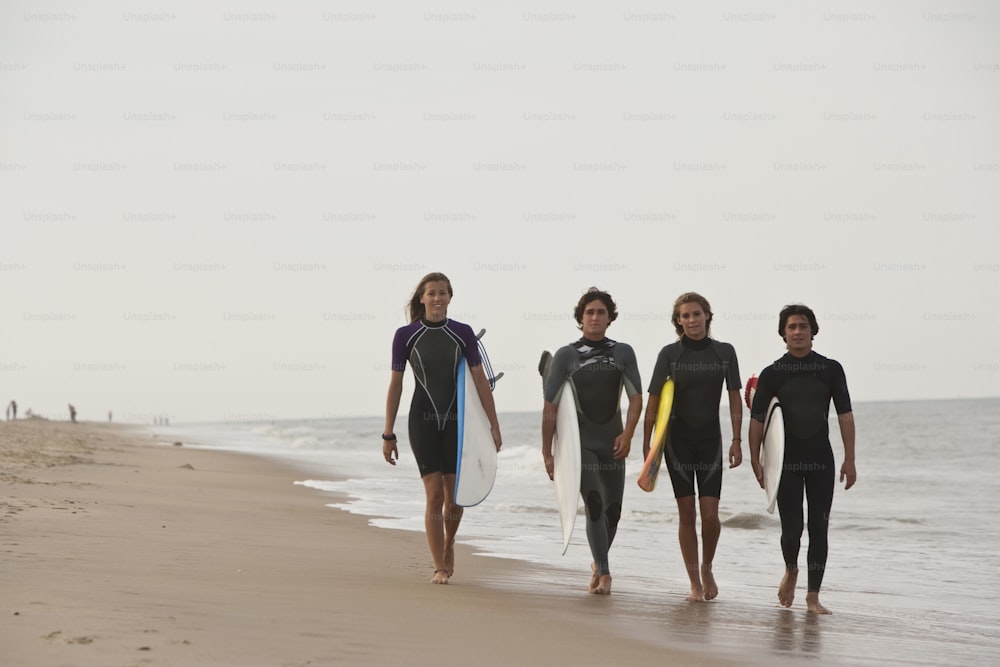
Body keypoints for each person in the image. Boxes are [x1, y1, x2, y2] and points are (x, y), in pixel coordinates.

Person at [382, 272, 502, 585]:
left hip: (456, 424)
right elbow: (396, 384)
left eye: (442, 293)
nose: (437, 298)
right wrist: (388, 433)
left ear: (450, 297)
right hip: (421, 420)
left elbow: (478, 379)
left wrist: (493, 425)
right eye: (431, 293)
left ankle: (449, 544)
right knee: (434, 496)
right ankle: (439, 566)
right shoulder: (405, 336)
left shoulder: (463, 333)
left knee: (456, 499)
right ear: (421, 299)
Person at [748, 304, 856, 614]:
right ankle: (791, 569)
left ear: (813, 331)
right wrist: (757, 459)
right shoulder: (772, 373)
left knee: (819, 527)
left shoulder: (830, 369)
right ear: (783, 332)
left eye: (803, 326)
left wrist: (850, 458)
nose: (797, 332)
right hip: (786, 463)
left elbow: (845, 414)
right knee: (791, 527)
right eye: (792, 326)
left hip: (821, 458)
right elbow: (758, 419)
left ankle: (813, 596)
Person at [642, 292, 743, 602]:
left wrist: (737, 439)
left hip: (710, 439)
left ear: (707, 316)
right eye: (685, 316)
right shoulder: (669, 355)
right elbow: (655, 402)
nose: (691, 320)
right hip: (677, 443)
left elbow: (735, 397)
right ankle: (694, 583)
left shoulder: (724, 353)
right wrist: (648, 445)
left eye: (696, 314)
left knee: (710, 516)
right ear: (678, 321)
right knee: (687, 513)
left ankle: (708, 566)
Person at [542, 287, 642, 595]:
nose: (595, 317)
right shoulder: (566, 356)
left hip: (613, 442)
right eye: (589, 312)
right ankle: (606, 573)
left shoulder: (622, 352)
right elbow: (551, 407)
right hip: (580, 444)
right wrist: (547, 452)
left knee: (614, 511)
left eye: (600, 312)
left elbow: (637, 398)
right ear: (580, 318)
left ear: (609, 318)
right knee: (595, 503)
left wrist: (628, 434)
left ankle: (598, 562)